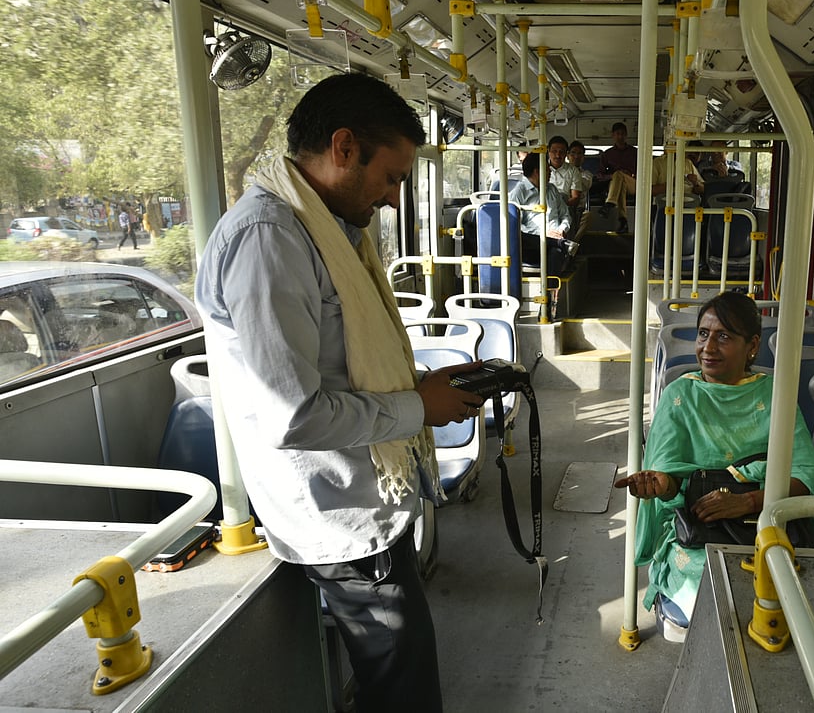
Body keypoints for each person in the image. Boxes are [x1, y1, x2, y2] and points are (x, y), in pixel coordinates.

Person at [194, 72, 487, 712]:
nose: (391, 198)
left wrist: (420, 387)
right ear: (344, 147)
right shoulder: (271, 238)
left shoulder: (326, 226)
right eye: (391, 177)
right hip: (339, 510)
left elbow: (345, 361)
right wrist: (418, 408)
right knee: (404, 688)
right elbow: (292, 413)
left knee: (401, 674)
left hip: (365, 487)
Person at [615, 292, 814, 642]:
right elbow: (672, 482)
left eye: (723, 337)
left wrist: (747, 501)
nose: (708, 347)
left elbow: (808, 474)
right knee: (711, 606)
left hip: (765, 523)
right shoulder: (680, 397)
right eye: (702, 334)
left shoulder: (775, 396)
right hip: (700, 528)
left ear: (752, 345)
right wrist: (662, 484)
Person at [508, 152, 579, 274]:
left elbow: (565, 215)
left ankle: (550, 290)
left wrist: (562, 230)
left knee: (555, 250)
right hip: (532, 243)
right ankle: (561, 244)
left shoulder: (552, 189)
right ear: (537, 171)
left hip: (556, 236)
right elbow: (514, 224)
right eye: (547, 169)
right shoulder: (519, 192)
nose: (550, 172)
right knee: (555, 247)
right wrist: (543, 233)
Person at [597, 122, 638, 233]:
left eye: (623, 134)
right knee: (619, 180)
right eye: (618, 134)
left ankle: (609, 204)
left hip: (634, 183)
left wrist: (627, 175)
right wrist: (613, 176)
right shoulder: (607, 154)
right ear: (613, 135)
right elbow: (600, 175)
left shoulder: (635, 152)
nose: (620, 136)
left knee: (619, 176)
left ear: (626, 135)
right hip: (615, 185)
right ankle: (623, 221)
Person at [547, 135, 589, 235]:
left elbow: (575, 198)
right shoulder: (541, 169)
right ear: (548, 151)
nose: (558, 155)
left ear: (566, 154)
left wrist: (559, 205)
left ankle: (564, 242)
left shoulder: (573, 171)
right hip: (546, 206)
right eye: (554, 151)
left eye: (561, 152)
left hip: (566, 206)